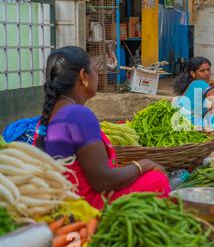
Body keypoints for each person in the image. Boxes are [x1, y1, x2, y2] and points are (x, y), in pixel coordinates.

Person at [33, 46, 171, 209]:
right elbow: (103, 181)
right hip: (84, 205)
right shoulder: (78, 115)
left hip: (62, 200)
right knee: (156, 180)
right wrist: (144, 164)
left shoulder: (52, 113)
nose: (97, 77)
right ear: (83, 76)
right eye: (95, 71)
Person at [173, 56, 214, 147]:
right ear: (193, 73)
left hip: (183, 125)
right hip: (191, 125)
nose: (207, 73)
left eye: (208, 70)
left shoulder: (190, 86)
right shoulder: (199, 83)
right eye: (202, 71)